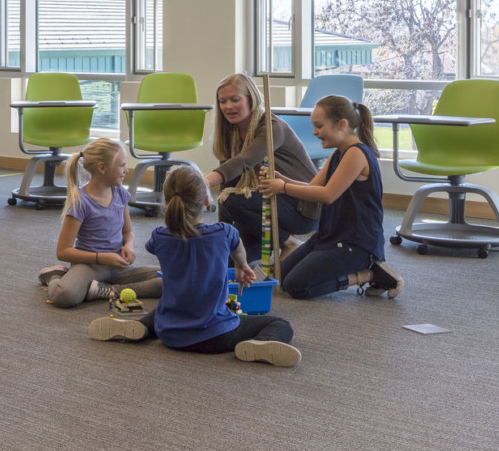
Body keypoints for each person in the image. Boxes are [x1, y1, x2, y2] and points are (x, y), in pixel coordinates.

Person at [89, 165, 301, 367]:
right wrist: (242, 265)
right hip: (215, 337)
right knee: (280, 324)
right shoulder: (223, 232)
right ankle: (259, 343)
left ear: (167, 203)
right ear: (207, 200)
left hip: (170, 334)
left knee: (163, 309)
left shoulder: (159, 237)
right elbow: (238, 249)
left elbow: (158, 246)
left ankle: (142, 327)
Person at [261, 94, 402, 300]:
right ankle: (361, 270)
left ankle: (368, 274)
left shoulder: (356, 154)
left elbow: (327, 195)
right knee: (282, 276)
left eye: (319, 125)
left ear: (341, 124)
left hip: (356, 243)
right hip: (331, 235)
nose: (314, 132)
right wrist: (283, 179)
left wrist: (283, 188)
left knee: (297, 287)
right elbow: (312, 188)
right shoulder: (339, 153)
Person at [205, 73, 319, 265]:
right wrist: (222, 235)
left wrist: (204, 182)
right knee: (221, 258)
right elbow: (228, 182)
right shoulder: (230, 131)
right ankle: (272, 240)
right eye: (222, 101)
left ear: (251, 98)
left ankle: (289, 242)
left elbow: (244, 161)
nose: (228, 106)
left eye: (235, 99)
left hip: (302, 208)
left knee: (233, 201)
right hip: (263, 204)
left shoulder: (272, 126)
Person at [39, 138, 163, 308]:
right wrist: (101, 257)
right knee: (65, 296)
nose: (126, 170)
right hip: (89, 267)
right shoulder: (81, 201)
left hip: (118, 267)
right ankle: (55, 276)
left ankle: (107, 290)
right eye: (122, 166)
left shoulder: (120, 194)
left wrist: (129, 246)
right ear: (102, 168)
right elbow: (63, 251)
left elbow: (128, 232)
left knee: (168, 278)